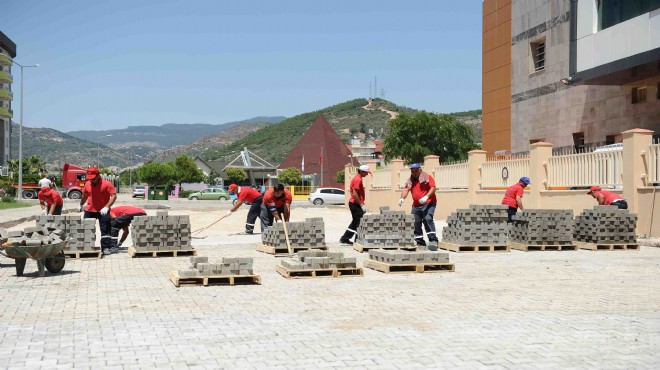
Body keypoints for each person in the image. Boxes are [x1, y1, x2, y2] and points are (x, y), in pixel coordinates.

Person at [398, 163, 439, 250]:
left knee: (428, 219)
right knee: (416, 222)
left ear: (420, 170)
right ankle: (420, 242)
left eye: (416, 171)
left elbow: (433, 188)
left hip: (429, 203)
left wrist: (426, 197)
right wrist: (402, 198)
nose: (414, 173)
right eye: (413, 171)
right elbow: (406, 189)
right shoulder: (410, 180)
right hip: (416, 206)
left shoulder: (427, 177)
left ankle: (433, 240)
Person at [78, 167, 117, 255]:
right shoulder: (87, 184)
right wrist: (80, 204)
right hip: (89, 210)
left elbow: (114, 196)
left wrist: (107, 207)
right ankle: (87, 247)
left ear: (98, 175)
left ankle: (105, 247)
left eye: (93, 178)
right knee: (86, 229)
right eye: (90, 178)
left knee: (105, 230)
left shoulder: (107, 184)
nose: (91, 180)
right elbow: (84, 195)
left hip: (103, 211)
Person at [339, 164, 371, 245]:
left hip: (354, 203)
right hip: (355, 204)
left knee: (355, 222)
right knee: (359, 223)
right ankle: (358, 242)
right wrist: (361, 204)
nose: (367, 174)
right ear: (362, 172)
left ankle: (345, 238)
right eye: (366, 172)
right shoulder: (358, 180)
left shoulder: (358, 178)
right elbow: (354, 193)